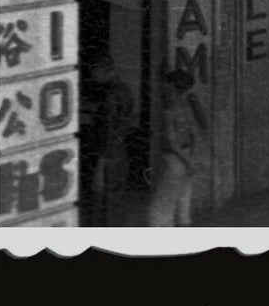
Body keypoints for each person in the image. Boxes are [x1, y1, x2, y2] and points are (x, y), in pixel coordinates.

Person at [147, 67, 208, 227]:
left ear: (172, 86)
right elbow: (196, 134)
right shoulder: (186, 106)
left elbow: (171, 141)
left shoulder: (169, 110)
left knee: (162, 207)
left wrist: (187, 161)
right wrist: (193, 159)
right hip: (188, 155)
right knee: (183, 202)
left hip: (175, 159)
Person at [79, 54, 135, 226]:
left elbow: (108, 129)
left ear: (102, 71)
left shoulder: (111, 94)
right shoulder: (124, 89)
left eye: (94, 73)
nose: (93, 77)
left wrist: (100, 163)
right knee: (115, 198)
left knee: (102, 200)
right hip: (119, 150)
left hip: (108, 152)